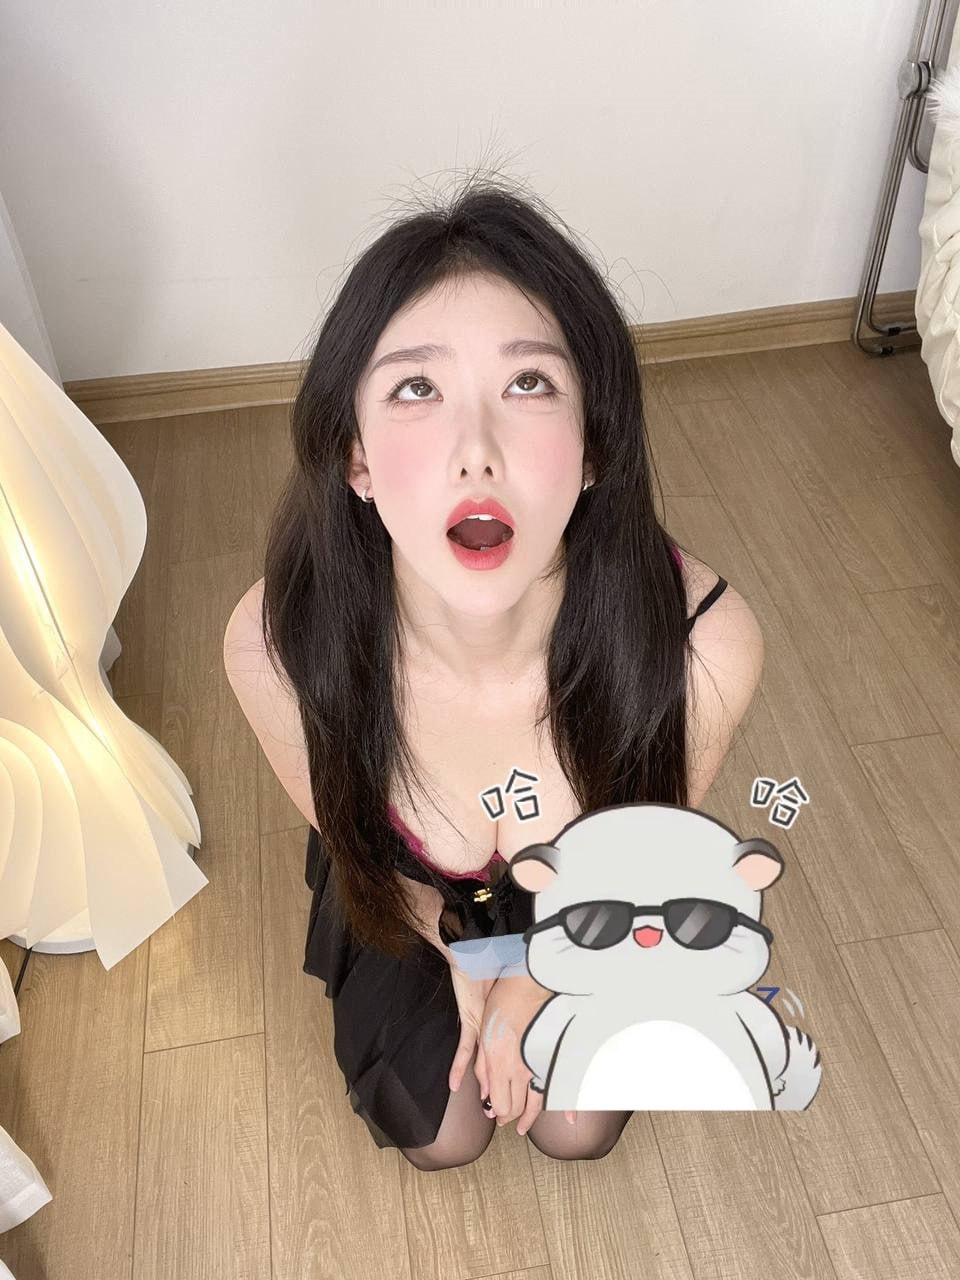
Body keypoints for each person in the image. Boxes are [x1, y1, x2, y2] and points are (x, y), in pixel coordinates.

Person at [228, 166, 764, 1171]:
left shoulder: (703, 644)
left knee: (576, 1124)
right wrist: (471, 956)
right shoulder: (277, 643)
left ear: (594, 446)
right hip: (411, 891)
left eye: (529, 383)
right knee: (442, 1132)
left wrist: (533, 979)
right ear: (355, 457)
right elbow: (357, 846)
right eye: (416, 388)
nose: (476, 451)